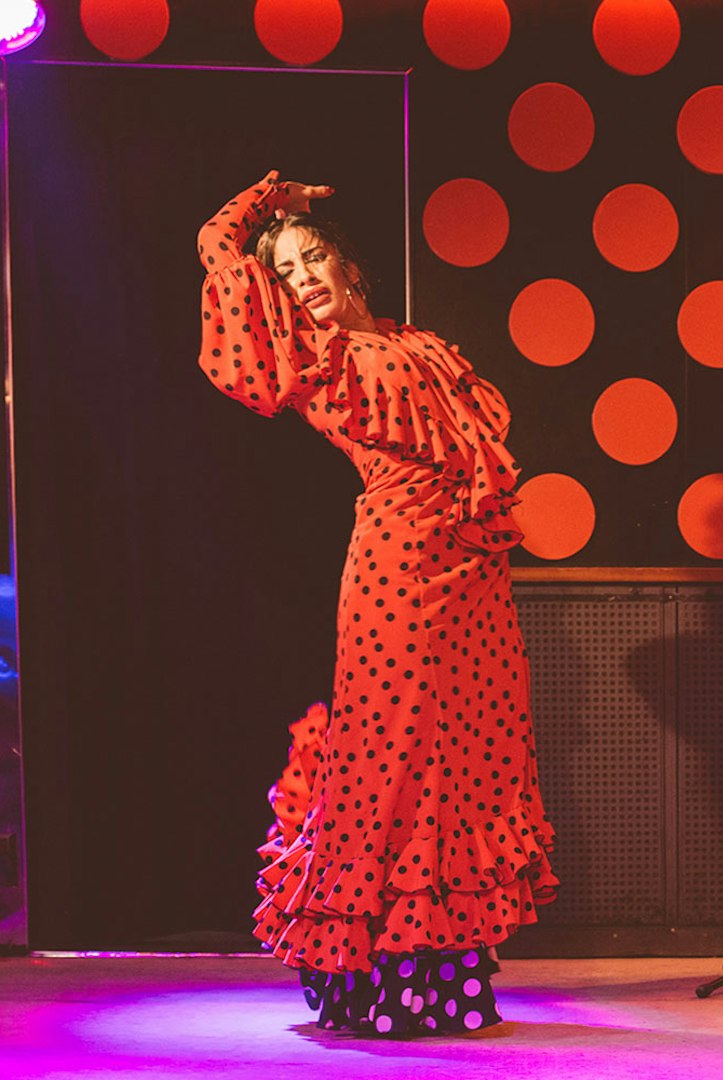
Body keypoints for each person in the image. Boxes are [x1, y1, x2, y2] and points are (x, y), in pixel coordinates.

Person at [197, 172, 558, 1035]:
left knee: (468, 760)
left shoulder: (423, 346)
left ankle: (452, 974)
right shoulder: (311, 357)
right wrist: (265, 203)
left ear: (350, 267)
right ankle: (380, 974)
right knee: (392, 764)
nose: (306, 277)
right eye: (288, 273)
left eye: (314, 258)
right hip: (398, 570)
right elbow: (217, 251)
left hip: (473, 575)